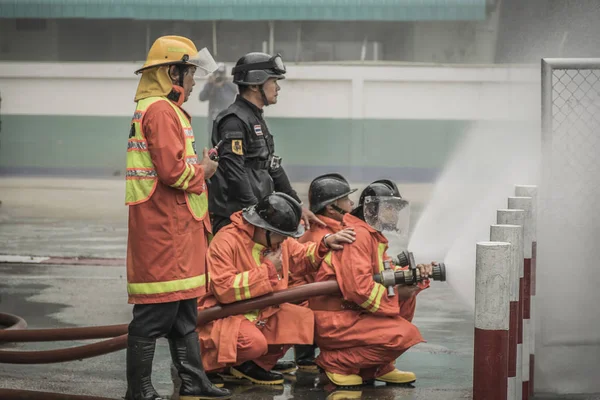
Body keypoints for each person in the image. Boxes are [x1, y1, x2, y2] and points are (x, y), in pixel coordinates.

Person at [124, 35, 231, 400]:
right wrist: (206, 170)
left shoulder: (165, 110)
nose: (194, 80)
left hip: (177, 228)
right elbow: (174, 173)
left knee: (184, 313)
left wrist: (198, 167)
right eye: (189, 72)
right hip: (163, 229)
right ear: (173, 71)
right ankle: (139, 390)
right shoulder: (159, 111)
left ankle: (193, 380)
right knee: (155, 315)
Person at [196, 192, 356, 385]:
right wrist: (268, 270)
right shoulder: (226, 241)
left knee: (301, 319)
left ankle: (251, 365)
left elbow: (301, 256)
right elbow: (224, 289)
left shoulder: (276, 239)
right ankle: (205, 369)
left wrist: (324, 244)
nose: (285, 240)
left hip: (260, 312)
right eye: (283, 236)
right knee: (252, 343)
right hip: (224, 315)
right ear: (265, 230)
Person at [310, 179, 433, 387]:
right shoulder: (359, 237)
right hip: (335, 319)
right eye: (389, 209)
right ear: (373, 209)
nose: (394, 215)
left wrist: (416, 275)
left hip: (348, 314)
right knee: (404, 334)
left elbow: (383, 272)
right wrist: (396, 296)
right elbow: (358, 289)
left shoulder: (372, 236)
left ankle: (376, 367)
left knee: (408, 298)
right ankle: (334, 362)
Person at [207, 51, 325, 235]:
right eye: (274, 81)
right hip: (237, 221)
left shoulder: (255, 118)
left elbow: (272, 166)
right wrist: (256, 213)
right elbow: (235, 172)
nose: (278, 88)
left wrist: (297, 206)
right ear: (255, 84)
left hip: (255, 219)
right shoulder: (234, 121)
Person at [290, 173, 357, 371]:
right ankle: (312, 356)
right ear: (330, 207)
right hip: (310, 313)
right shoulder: (326, 237)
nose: (351, 203)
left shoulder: (329, 231)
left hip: (307, 311)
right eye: (345, 200)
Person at [198, 63, 237, 143]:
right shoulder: (211, 84)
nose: (219, 75)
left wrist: (220, 87)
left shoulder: (229, 85)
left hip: (226, 118)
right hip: (213, 118)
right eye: (217, 73)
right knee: (212, 140)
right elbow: (202, 97)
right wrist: (210, 85)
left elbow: (227, 100)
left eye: (221, 74)